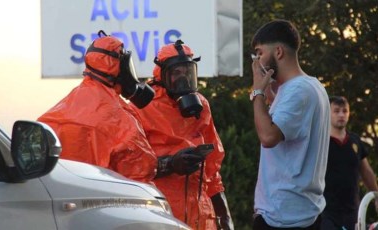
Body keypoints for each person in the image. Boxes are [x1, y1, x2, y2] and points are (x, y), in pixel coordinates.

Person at [37, 31, 196, 185]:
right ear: (120, 69)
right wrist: (172, 163)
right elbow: (142, 171)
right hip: (104, 202)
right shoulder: (121, 120)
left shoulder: (56, 113)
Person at [130, 40, 234, 230]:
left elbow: (212, 169)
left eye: (187, 72)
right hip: (159, 211)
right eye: (176, 73)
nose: (183, 78)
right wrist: (169, 164)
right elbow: (129, 168)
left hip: (200, 213)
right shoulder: (142, 107)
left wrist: (224, 216)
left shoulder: (200, 107)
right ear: (162, 74)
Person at [250, 19, 330, 229]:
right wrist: (268, 94)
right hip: (293, 212)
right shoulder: (307, 87)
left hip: (283, 218)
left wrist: (257, 92)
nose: (257, 61)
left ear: (278, 52)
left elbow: (268, 137)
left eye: (259, 53)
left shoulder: (298, 90)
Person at [320, 96, 378, 230]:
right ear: (328, 113)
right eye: (336, 111)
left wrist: (376, 195)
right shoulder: (321, 142)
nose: (341, 114)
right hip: (325, 213)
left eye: (344, 111)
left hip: (352, 213)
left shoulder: (355, 141)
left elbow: (366, 172)